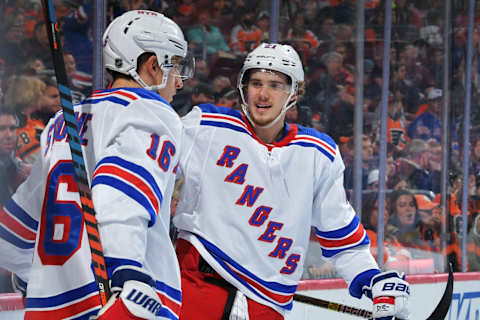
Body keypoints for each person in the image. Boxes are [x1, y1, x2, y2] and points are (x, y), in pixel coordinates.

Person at [173, 43, 410, 319]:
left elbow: (341, 238)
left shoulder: (318, 153)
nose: (262, 94)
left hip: (267, 306)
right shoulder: (206, 126)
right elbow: (146, 169)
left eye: (275, 85)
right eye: (256, 83)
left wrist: (372, 279)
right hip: (196, 291)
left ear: (294, 92)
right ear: (243, 87)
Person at [0, 10, 194, 319]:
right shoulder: (149, 113)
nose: (179, 82)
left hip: (50, 305)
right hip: (115, 303)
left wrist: (27, 273)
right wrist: (127, 272)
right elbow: (122, 197)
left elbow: (18, 222)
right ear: (152, 65)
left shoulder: (62, 121)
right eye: (174, 66)